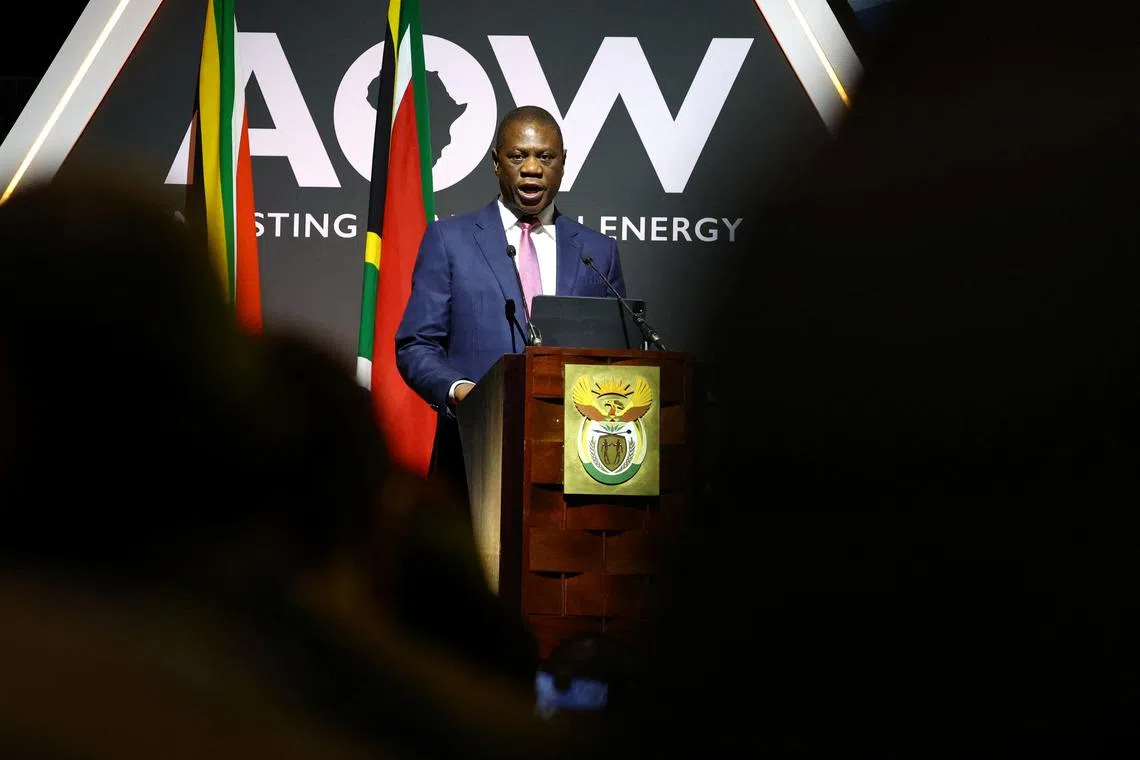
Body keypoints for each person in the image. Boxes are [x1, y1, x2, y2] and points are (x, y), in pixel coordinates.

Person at [396, 105, 625, 492]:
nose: (532, 168)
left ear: (563, 163)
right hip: (472, 455)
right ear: (496, 163)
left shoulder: (597, 252)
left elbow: (617, 357)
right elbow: (416, 345)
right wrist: (461, 393)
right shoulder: (450, 241)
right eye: (518, 156)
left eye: (545, 157)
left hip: (573, 464)